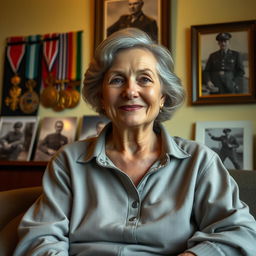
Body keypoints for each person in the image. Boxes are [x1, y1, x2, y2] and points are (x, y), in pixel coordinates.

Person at [14, 28, 256, 256]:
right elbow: (40, 236)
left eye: (145, 79)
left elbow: (240, 232)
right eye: (117, 80)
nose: (130, 90)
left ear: (162, 96)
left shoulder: (200, 162)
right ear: (101, 96)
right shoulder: (67, 161)